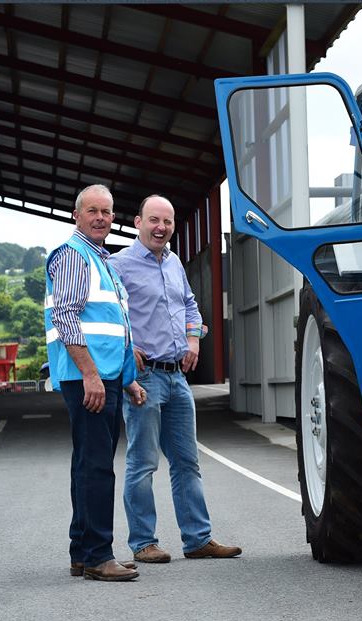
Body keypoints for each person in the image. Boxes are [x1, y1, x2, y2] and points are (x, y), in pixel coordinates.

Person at [109, 194, 241, 564]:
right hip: (145, 376)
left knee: (187, 461)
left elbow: (190, 305)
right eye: (153, 220)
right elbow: (107, 311)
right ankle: (143, 543)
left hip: (177, 378)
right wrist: (124, 347)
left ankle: (198, 539)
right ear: (137, 222)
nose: (160, 228)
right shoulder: (118, 265)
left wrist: (194, 338)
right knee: (143, 461)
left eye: (166, 222)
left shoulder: (175, 263)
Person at [44, 184, 146, 582]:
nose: (101, 217)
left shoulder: (99, 259)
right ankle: (100, 556)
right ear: (76, 215)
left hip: (105, 376)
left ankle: (84, 553)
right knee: (98, 467)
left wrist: (128, 380)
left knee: (87, 464)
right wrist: (90, 374)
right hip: (88, 377)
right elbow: (66, 317)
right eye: (93, 211)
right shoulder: (73, 256)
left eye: (107, 211)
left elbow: (114, 328)